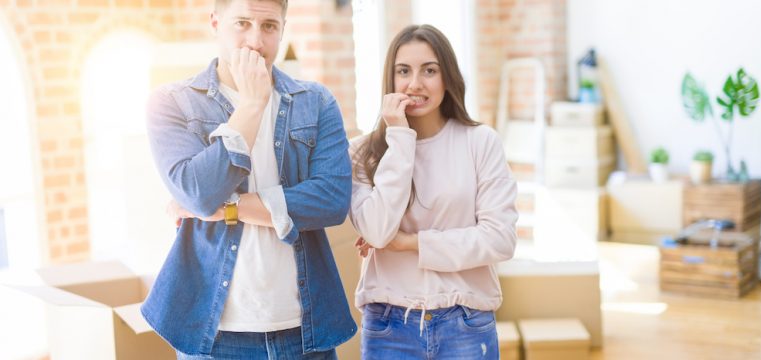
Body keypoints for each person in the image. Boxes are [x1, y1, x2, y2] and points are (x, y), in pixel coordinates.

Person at [141, 0, 355, 358]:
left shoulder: (316, 102)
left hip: (304, 330)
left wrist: (232, 207)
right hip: (216, 336)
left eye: (269, 26)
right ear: (215, 23)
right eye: (242, 23)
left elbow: (332, 200)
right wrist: (252, 106)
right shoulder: (171, 103)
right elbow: (198, 192)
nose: (256, 41)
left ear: (283, 29)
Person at [349, 24, 518, 359]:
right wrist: (399, 138)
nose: (415, 84)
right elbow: (378, 232)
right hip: (388, 326)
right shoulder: (362, 153)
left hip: (466, 323)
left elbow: (500, 238)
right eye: (404, 71)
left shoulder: (480, 142)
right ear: (390, 80)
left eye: (429, 70)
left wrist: (411, 243)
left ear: (447, 77)